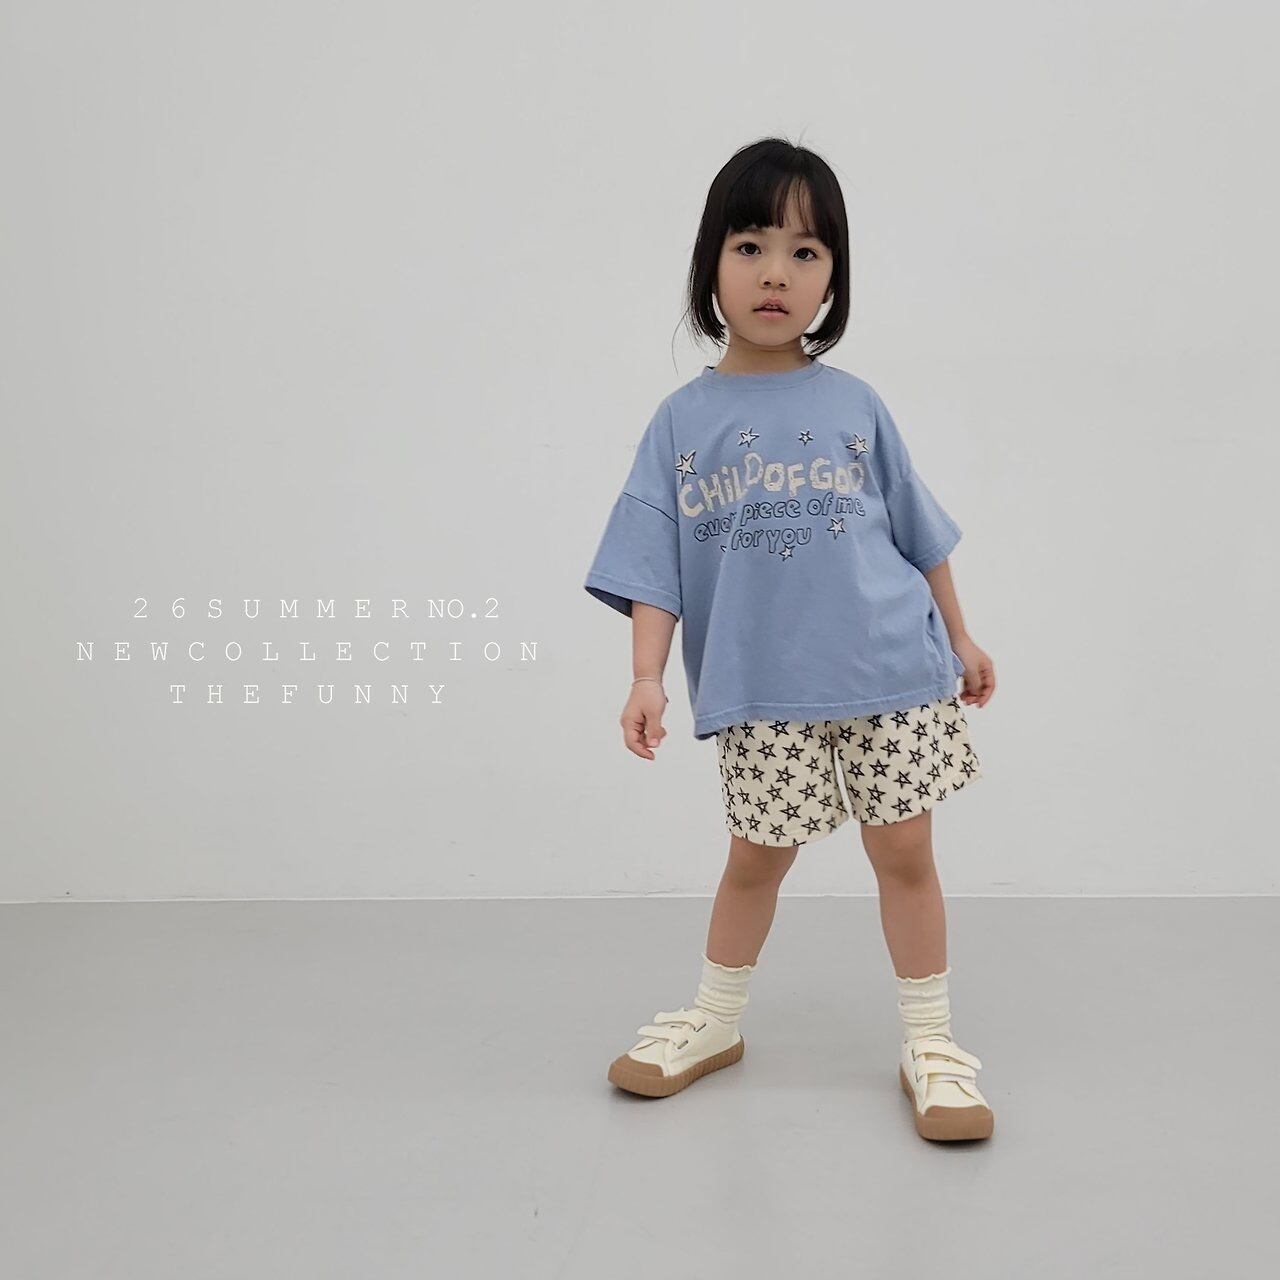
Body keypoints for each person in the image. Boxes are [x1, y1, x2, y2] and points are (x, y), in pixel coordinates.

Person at [582, 137, 997, 1142]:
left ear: (831, 279)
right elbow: (652, 563)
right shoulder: (681, 422)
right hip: (763, 685)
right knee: (756, 858)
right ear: (709, 265)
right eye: (750, 245)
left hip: (891, 671)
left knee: (905, 852)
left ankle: (931, 1043)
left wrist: (960, 635)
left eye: (805, 252)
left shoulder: (854, 404)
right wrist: (645, 676)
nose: (776, 272)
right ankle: (715, 1019)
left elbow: (916, 531)